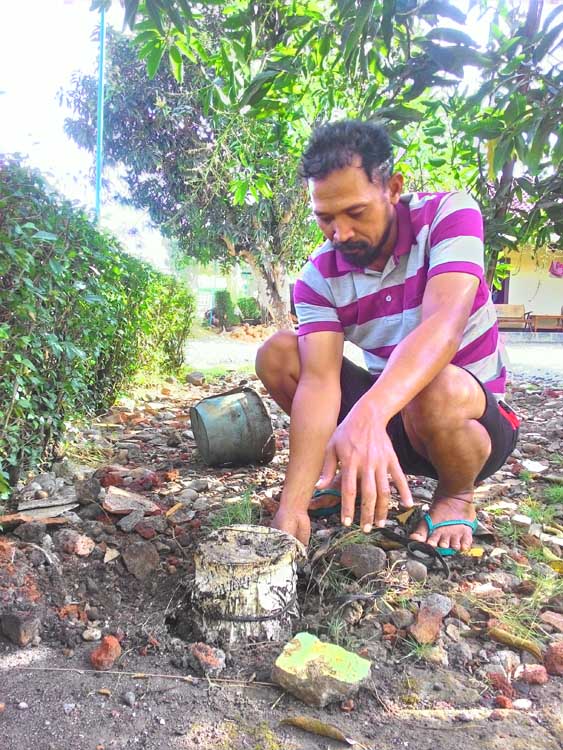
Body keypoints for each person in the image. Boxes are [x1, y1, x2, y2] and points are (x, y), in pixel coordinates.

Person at [255, 119, 519, 551]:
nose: (339, 233)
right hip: (393, 416)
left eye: (355, 213)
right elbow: (318, 383)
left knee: (436, 384)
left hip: (470, 423)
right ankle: (346, 471)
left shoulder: (448, 216)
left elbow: (443, 327)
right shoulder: (318, 278)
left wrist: (368, 414)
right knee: (280, 355)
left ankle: (456, 495)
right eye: (325, 218)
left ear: (393, 188)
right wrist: (293, 504)